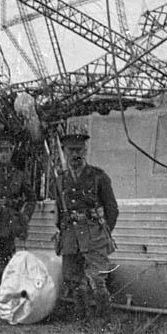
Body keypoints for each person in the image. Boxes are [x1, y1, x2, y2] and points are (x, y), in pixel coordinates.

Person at [55, 131, 118, 323]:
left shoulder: (99, 177)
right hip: (71, 237)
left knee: (98, 280)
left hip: (93, 235)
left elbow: (112, 210)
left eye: (79, 150)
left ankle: (104, 323)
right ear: (64, 153)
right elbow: (59, 211)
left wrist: (102, 233)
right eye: (71, 151)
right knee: (73, 280)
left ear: (86, 150)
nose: (76, 155)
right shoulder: (60, 180)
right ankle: (82, 321)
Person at [0, 134, 36, 304]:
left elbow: (31, 198)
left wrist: (24, 216)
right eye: (0, 151)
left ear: (11, 152)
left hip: (8, 221)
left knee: (5, 260)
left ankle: (1, 297)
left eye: (7, 151)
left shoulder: (19, 175)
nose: (3, 154)